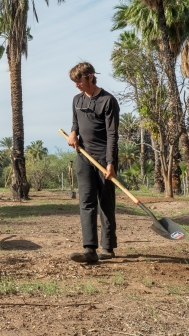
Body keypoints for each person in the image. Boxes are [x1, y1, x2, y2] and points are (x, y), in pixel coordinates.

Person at [66, 62, 120, 263]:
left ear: (89, 76)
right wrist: (73, 134)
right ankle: (89, 249)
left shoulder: (108, 101)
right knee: (86, 202)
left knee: (106, 203)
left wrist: (110, 163)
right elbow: (75, 123)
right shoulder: (77, 100)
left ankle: (107, 247)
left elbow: (112, 134)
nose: (76, 85)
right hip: (84, 157)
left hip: (104, 159)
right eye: (74, 81)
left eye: (79, 80)